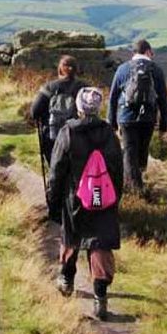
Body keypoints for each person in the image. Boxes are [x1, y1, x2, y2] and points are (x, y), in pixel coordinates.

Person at [47, 87, 123, 321]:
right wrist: (114, 198)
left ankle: (66, 279)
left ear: (78, 107)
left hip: (75, 197)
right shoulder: (109, 133)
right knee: (100, 244)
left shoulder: (68, 132)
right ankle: (100, 297)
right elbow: (118, 170)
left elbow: (56, 171)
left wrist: (53, 202)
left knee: (71, 238)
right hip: (103, 198)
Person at [107, 39, 167, 197]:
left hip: (126, 117)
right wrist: (164, 124)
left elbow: (113, 97)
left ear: (133, 52)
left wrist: (112, 122)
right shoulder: (156, 70)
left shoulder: (123, 69)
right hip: (148, 117)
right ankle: (138, 182)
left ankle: (133, 187)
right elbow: (163, 99)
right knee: (143, 149)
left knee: (129, 151)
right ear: (148, 51)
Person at [30, 55, 89, 164]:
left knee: (55, 166)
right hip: (78, 137)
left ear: (60, 69)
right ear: (76, 69)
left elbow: (34, 112)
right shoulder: (85, 88)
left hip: (52, 136)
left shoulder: (49, 87)